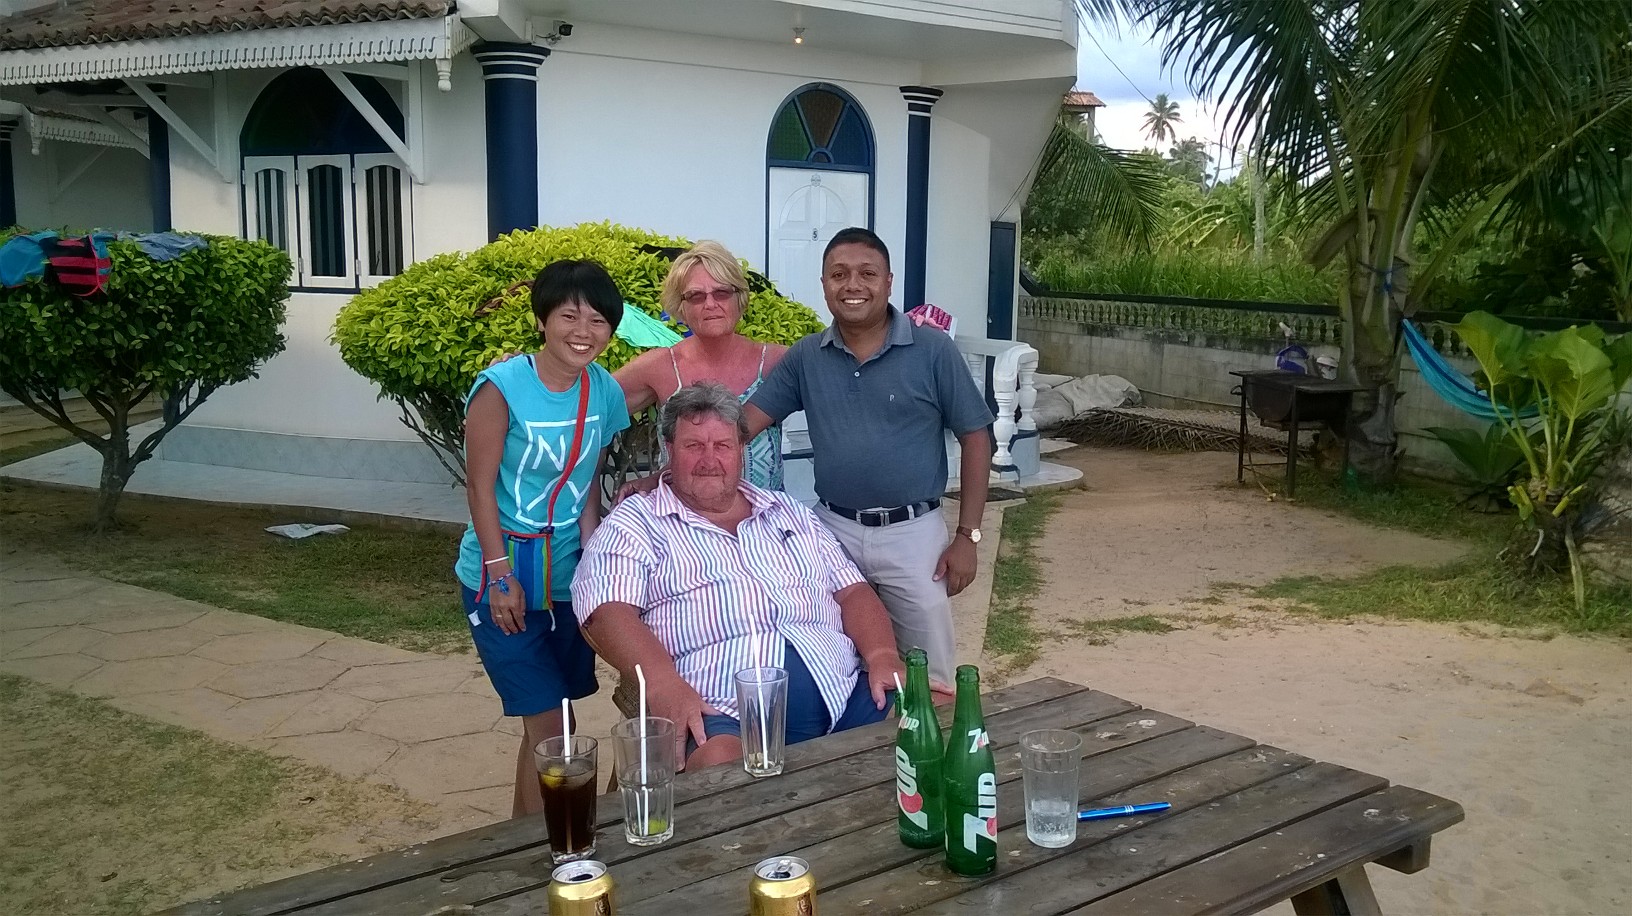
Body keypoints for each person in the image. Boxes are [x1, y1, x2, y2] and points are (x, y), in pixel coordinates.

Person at [572, 382, 906, 771]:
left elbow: (851, 591)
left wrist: (882, 655)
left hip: (843, 697)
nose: (709, 459)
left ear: (741, 451)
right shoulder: (637, 521)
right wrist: (662, 684)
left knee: (936, 716)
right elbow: (606, 610)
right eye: (694, 445)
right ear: (669, 449)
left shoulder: (788, 511)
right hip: (724, 715)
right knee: (721, 771)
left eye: (722, 446)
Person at [743, 228, 994, 687]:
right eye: (839, 275)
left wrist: (968, 537)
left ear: (889, 282)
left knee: (928, 675)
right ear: (824, 284)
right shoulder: (807, 357)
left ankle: (927, 735)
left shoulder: (932, 350)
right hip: (832, 533)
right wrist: (670, 468)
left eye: (867, 274)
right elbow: (742, 426)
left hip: (914, 536)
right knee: (838, 660)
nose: (852, 285)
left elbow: (977, 437)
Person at [455, 259, 630, 817]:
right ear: (542, 320)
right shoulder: (501, 388)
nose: (583, 331)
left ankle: (524, 835)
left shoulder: (603, 390)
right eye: (569, 316)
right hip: (502, 575)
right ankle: (560, 845)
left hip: (566, 579)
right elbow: (479, 488)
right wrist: (498, 573)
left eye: (598, 320)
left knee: (550, 724)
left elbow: (587, 484)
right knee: (556, 729)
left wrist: (595, 555)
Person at [615, 241, 789, 490]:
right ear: (681, 307)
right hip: (680, 512)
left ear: (739, 298)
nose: (710, 304)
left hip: (767, 513)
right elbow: (588, 409)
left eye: (721, 293)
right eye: (696, 296)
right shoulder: (662, 366)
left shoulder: (776, 361)